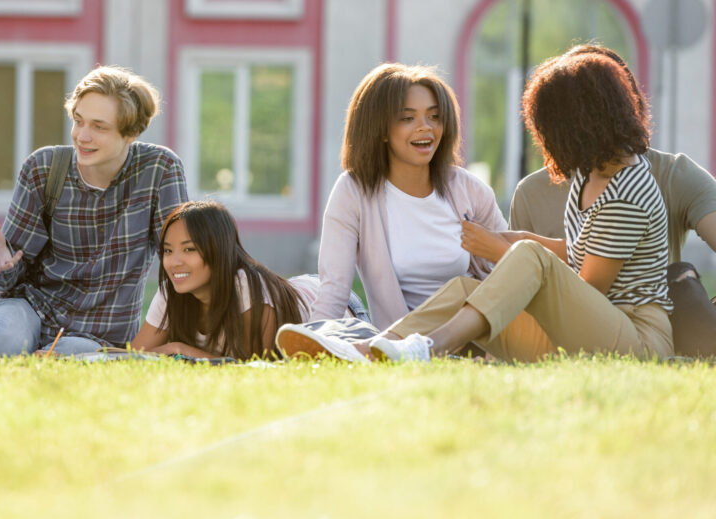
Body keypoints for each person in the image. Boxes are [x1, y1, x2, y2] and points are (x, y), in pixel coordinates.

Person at [293, 49, 674, 363]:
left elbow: (588, 291)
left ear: (580, 123)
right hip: (583, 335)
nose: (544, 138)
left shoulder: (628, 189)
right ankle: (372, 351)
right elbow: (580, 254)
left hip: (634, 341)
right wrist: (522, 239)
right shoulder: (591, 176)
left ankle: (426, 348)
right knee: (464, 288)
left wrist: (504, 248)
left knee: (525, 257)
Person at [509, 44, 716, 357]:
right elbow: (519, 288)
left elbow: (587, 287)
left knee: (681, 276)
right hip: (560, 333)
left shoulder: (672, 174)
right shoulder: (532, 192)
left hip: (644, 329)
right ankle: (414, 344)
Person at [0, 65, 188, 356]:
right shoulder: (44, 168)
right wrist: (3, 264)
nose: (82, 136)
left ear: (132, 132)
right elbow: (8, 279)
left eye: (99, 127)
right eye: (78, 121)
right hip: (31, 307)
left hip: (99, 331)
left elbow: (180, 260)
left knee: (69, 360)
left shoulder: (159, 170)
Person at [304, 63, 506, 330]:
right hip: (400, 342)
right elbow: (334, 290)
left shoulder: (470, 190)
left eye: (434, 116)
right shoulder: (354, 191)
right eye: (407, 118)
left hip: (474, 337)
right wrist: (310, 345)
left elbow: (510, 270)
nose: (426, 128)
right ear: (381, 130)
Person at [130, 201, 366, 359]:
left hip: (340, 313)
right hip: (296, 288)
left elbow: (256, 368)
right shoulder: (171, 292)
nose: (174, 262)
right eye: (168, 251)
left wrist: (180, 349)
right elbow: (134, 356)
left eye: (189, 249)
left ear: (218, 250)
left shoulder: (245, 287)